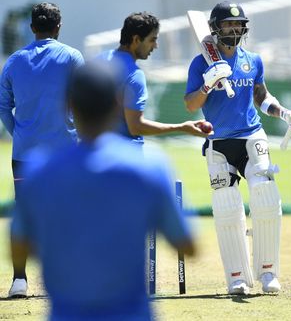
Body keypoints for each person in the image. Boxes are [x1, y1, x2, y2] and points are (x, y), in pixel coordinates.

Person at [10, 63, 195, 320]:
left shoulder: (39, 171)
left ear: (69, 105)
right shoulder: (150, 167)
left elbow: (18, 249)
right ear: (118, 104)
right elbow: (187, 244)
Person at [184, 1, 291, 295]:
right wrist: (207, 85)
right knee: (227, 206)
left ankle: (268, 273)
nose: (235, 29)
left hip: (252, 136)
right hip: (219, 141)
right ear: (215, 28)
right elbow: (190, 105)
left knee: (266, 196)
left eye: (238, 25)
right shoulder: (200, 63)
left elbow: (262, 98)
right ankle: (237, 278)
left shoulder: (252, 60)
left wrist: (287, 114)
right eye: (228, 24)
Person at [0, 2, 84, 298]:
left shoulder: (13, 61)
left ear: (32, 27)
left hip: (24, 154)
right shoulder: (73, 57)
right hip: (65, 153)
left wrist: (19, 133)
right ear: (58, 27)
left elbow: (2, 106)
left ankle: (19, 281)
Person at [98, 12, 208, 144]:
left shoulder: (98, 62)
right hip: (126, 154)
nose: (155, 46)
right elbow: (135, 126)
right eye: (152, 40)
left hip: (96, 152)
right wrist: (181, 127)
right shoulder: (134, 75)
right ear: (136, 40)